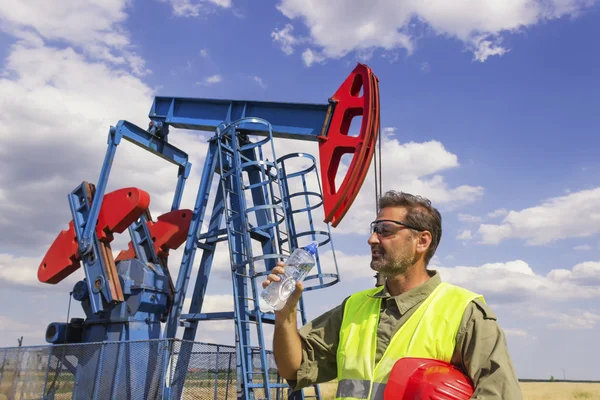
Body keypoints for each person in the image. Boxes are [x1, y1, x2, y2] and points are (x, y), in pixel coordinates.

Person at [263, 190, 522, 399]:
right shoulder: (354, 306)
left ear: (422, 241)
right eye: (374, 229)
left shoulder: (465, 312)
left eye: (385, 230)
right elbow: (294, 369)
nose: (372, 239)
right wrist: (285, 312)